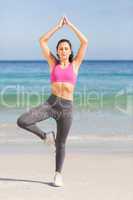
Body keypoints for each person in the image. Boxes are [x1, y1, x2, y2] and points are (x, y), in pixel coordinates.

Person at [17, 16, 88, 187]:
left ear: (70, 51)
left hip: (66, 109)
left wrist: (70, 25)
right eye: (61, 48)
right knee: (23, 121)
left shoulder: (75, 65)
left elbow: (84, 41)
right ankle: (45, 136)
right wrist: (57, 27)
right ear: (57, 51)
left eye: (66, 48)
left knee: (61, 143)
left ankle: (58, 174)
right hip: (51, 104)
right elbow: (42, 40)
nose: (63, 51)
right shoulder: (52, 63)